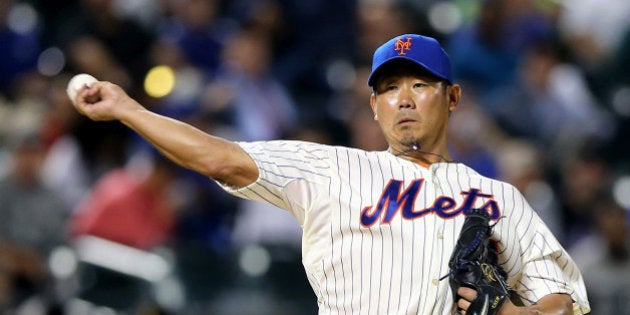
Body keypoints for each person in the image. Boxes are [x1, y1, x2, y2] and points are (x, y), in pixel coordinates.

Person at [70, 34, 590, 314]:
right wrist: (127, 109)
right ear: (373, 107)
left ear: (453, 97)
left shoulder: (498, 197)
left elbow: (559, 303)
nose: (403, 98)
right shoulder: (329, 166)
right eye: (389, 88)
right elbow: (219, 157)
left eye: (421, 84)